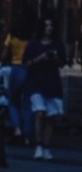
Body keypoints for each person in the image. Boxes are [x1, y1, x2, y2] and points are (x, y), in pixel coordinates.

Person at [25, 29, 64, 160]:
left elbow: (62, 63)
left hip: (52, 82)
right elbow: (27, 63)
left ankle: (46, 146)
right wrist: (39, 58)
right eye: (46, 25)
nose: (49, 28)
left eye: (51, 25)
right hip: (36, 81)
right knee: (40, 112)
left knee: (51, 116)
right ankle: (39, 145)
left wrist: (55, 58)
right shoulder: (33, 44)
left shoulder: (57, 44)